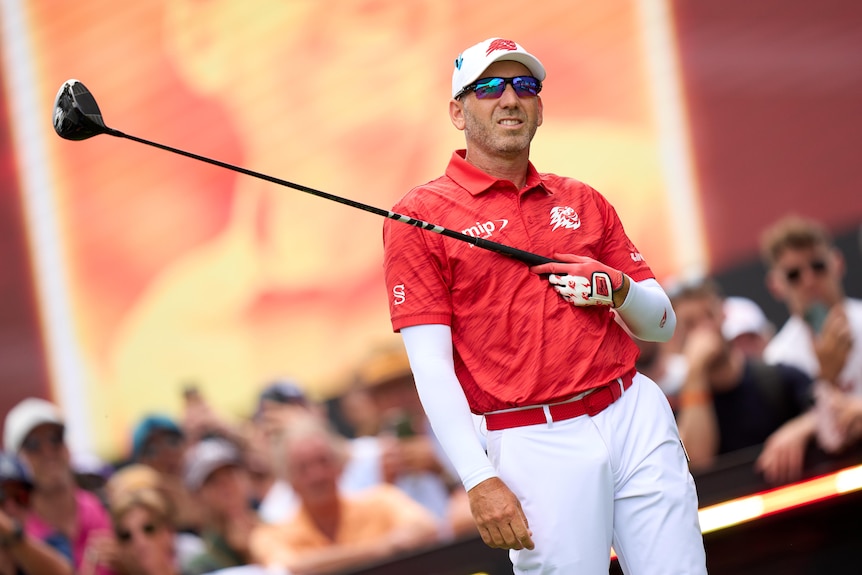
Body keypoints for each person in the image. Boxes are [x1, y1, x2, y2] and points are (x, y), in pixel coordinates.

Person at [382, 38, 706, 573]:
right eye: (489, 87)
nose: (509, 98)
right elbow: (430, 366)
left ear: (539, 107)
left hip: (633, 412)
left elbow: (663, 325)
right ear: (458, 112)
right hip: (531, 438)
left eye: (524, 86)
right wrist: (478, 477)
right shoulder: (417, 217)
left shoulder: (582, 198)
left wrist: (619, 288)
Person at [248, 414, 438, 574]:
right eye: (303, 468)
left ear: (339, 465)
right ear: (288, 477)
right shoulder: (271, 533)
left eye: (323, 461)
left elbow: (426, 528)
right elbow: (287, 568)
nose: (317, 475)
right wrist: (380, 549)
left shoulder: (382, 500)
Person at [669, 279, 817, 483]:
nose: (704, 329)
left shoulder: (777, 378)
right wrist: (695, 373)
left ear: (723, 314)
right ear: (676, 335)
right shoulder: (677, 406)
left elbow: (828, 410)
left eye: (709, 316)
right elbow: (700, 462)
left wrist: (799, 429)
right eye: (690, 324)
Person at [760, 215, 862, 451]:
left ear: (837, 263)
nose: (809, 280)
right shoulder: (777, 360)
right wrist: (827, 379)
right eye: (793, 275)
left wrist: (808, 423)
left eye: (818, 266)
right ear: (775, 285)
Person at [2, 398, 117, 575]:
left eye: (55, 438)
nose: (48, 451)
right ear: (16, 461)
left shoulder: (107, 504)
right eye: (33, 445)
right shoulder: (15, 529)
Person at [182, 438, 258, 575]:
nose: (226, 486)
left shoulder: (280, 525)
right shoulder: (199, 566)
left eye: (230, 473)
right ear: (196, 498)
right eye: (212, 481)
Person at [0, 451, 74, 575]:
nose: (11, 507)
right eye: (1, 497)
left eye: (21, 497)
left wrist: (11, 534)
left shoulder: (52, 542)